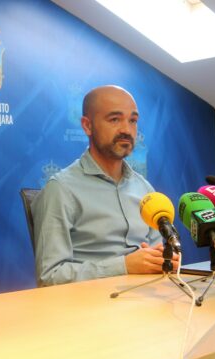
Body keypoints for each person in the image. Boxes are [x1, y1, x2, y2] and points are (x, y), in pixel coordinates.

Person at [31, 85, 175, 286]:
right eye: (114, 119)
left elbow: (157, 253)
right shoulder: (61, 189)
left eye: (132, 120)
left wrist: (165, 259)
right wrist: (123, 266)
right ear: (87, 126)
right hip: (90, 308)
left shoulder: (145, 189)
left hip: (147, 298)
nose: (126, 129)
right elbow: (50, 275)